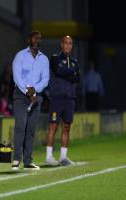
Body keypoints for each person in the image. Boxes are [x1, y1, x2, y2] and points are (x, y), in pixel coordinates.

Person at [11, 31, 49, 171]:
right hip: (21, 96)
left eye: (39, 38)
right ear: (29, 39)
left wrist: (35, 90)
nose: (36, 40)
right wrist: (28, 91)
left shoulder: (44, 59)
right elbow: (17, 77)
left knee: (31, 129)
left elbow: (45, 79)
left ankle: (28, 160)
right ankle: (16, 159)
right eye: (34, 37)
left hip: (36, 97)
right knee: (21, 126)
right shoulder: (20, 56)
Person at [45, 36, 80, 166]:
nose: (68, 45)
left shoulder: (75, 61)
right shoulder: (55, 58)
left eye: (70, 43)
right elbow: (58, 71)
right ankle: (49, 156)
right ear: (61, 44)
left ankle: (63, 157)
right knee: (53, 126)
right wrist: (72, 72)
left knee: (66, 127)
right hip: (57, 98)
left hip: (70, 98)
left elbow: (78, 78)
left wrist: (69, 73)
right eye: (66, 43)